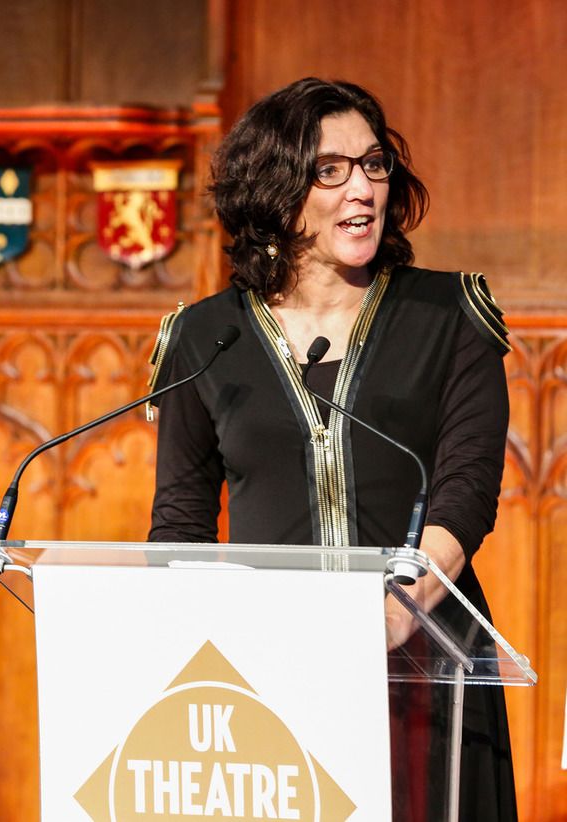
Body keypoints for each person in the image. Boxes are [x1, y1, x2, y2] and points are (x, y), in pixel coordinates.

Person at [148, 77, 516, 821]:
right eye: (332, 170)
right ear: (278, 189)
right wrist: (177, 651)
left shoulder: (448, 316)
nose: (364, 188)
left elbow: (466, 492)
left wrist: (385, 620)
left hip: (424, 667)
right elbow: (180, 523)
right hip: (264, 672)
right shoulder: (202, 335)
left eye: (375, 165)